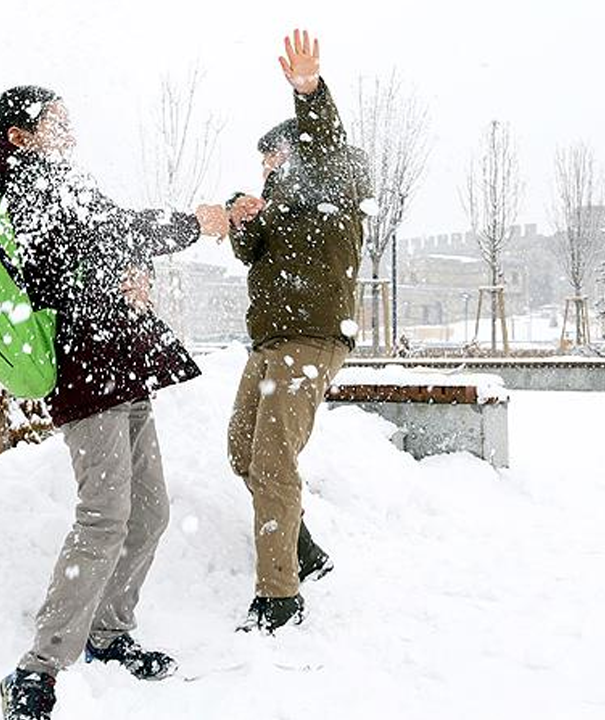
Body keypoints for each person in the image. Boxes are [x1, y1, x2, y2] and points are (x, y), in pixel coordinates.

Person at [0, 86, 230, 720]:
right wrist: (194, 223)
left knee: (150, 511)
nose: (71, 133)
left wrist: (139, 274)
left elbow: (110, 244)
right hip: (85, 370)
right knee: (104, 515)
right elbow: (115, 231)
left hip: (122, 364)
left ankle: (108, 633)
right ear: (21, 136)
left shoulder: (64, 181)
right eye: (57, 123)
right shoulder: (22, 183)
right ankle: (36, 669)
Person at [224, 30, 372, 634]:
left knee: (273, 461)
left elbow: (327, 143)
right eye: (263, 162)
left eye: (275, 158)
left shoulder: (334, 184)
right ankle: (303, 548)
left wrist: (308, 92)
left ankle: (280, 596)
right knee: (243, 450)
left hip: (311, 341)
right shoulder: (278, 207)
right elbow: (249, 252)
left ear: (300, 153)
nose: (268, 168)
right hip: (271, 344)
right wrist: (241, 216)